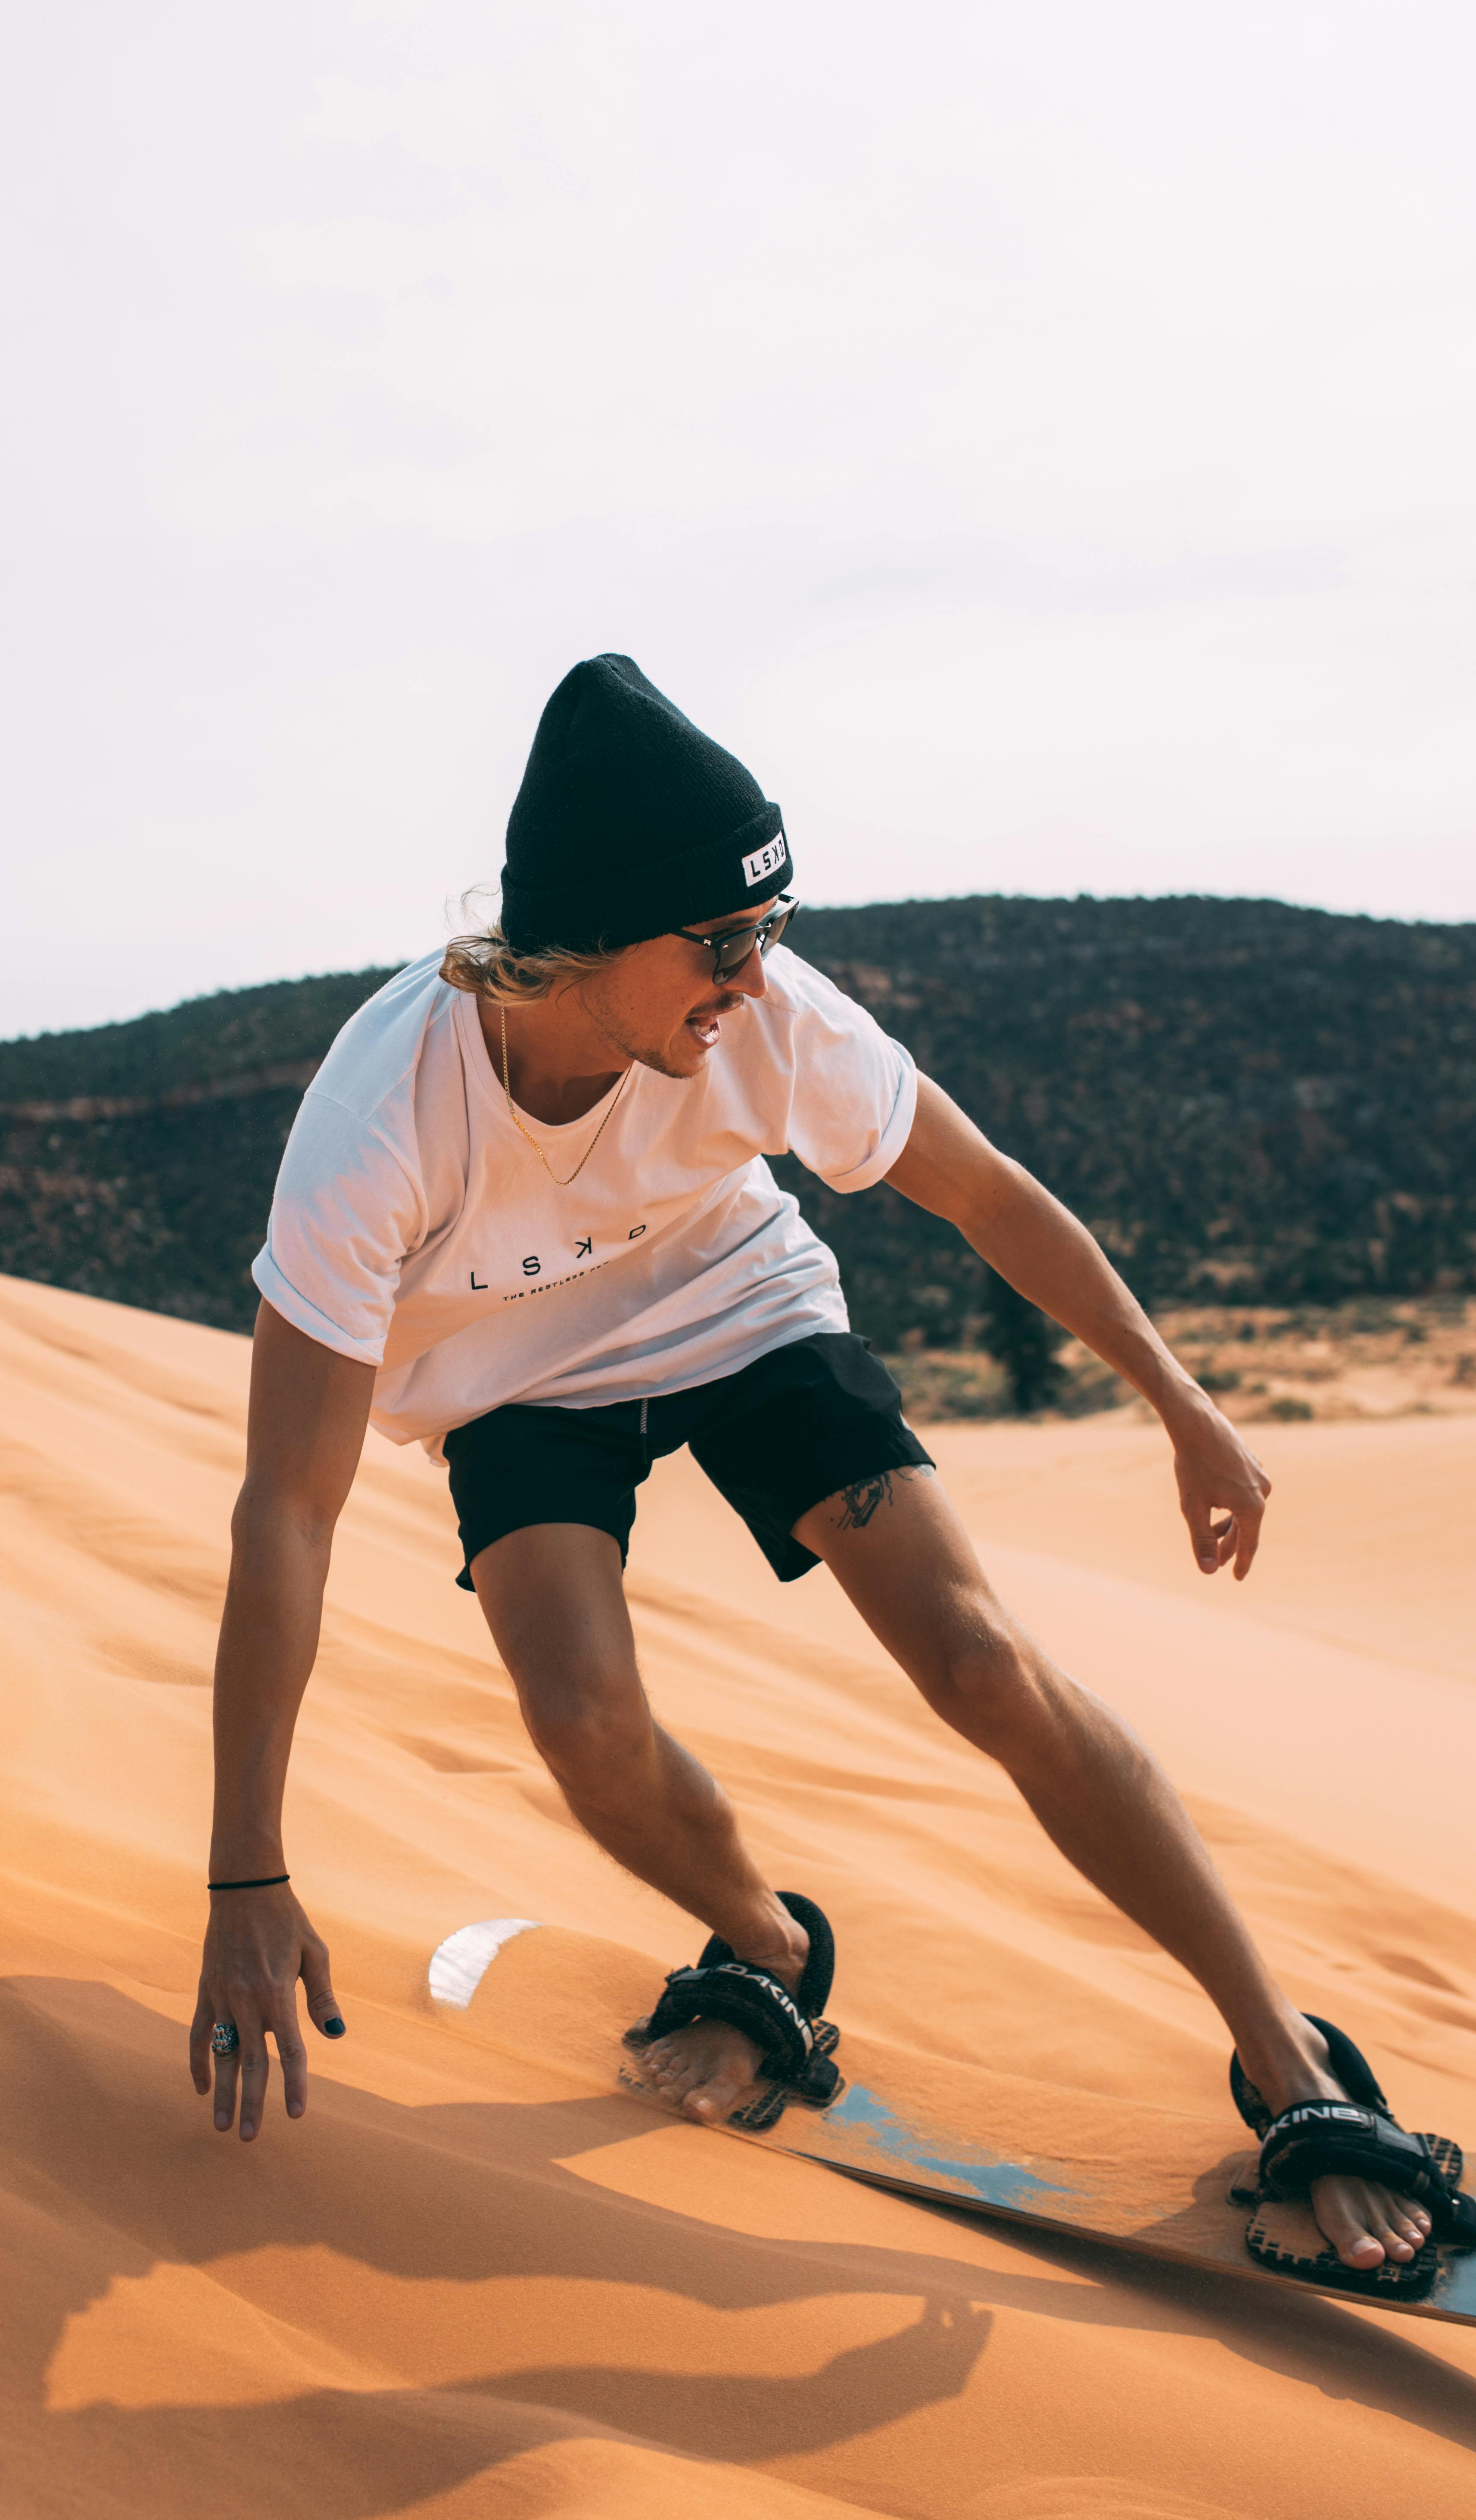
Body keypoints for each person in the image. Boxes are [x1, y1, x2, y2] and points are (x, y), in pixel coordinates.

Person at [193, 653, 1432, 2282]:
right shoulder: (381, 1120)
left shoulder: (770, 1026)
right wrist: (247, 1870)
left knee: (980, 1657)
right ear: (586, 937)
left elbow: (986, 1193)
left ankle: (1288, 2058)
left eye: (767, 931)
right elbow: (289, 1507)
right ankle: (774, 1956)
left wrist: (1182, 1399)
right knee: (580, 1722)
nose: (754, 971)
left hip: (735, 1303)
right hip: (511, 1378)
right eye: (720, 940)